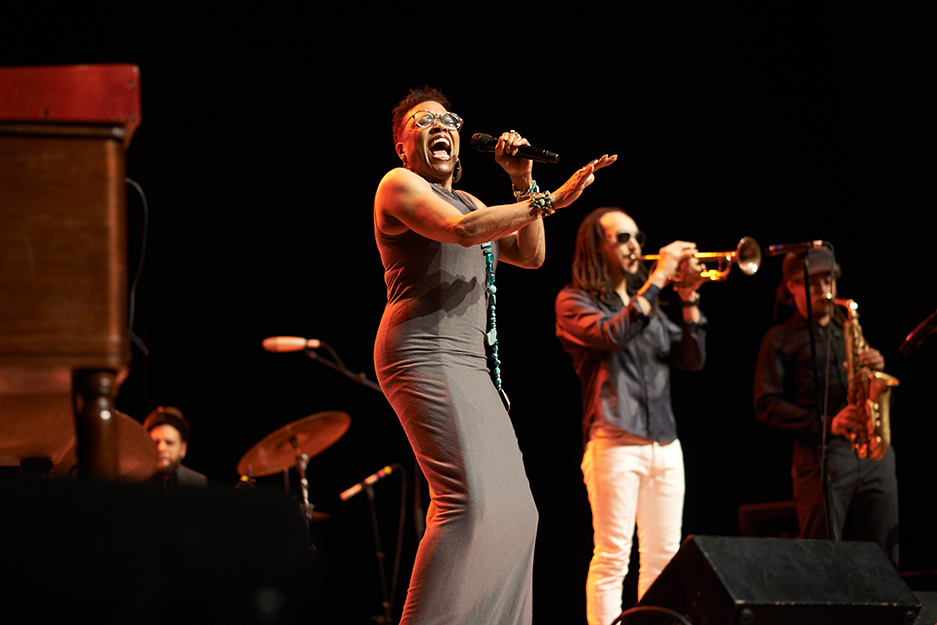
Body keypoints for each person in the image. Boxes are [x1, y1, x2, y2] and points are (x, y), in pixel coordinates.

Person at [373, 86, 616, 624]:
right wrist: (549, 200)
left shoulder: (479, 202)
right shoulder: (398, 185)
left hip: (473, 362)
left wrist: (523, 181)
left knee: (517, 513)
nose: (439, 125)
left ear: (460, 144)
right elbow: (460, 234)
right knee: (467, 505)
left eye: (448, 119)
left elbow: (531, 255)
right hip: (422, 349)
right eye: (423, 121)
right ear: (403, 148)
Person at [554, 207, 706, 625]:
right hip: (614, 443)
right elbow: (613, 334)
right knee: (612, 557)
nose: (636, 245)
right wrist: (659, 281)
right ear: (594, 246)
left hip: (666, 445)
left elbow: (691, 360)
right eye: (622, 237)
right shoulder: (573, 301)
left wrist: (689, 299)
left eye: (637, 236)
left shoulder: (650, 305)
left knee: (665, 558)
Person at [753, 248, 899, 567]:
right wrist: (827, 423)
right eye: (814, 282)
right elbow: (765, 404)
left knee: (883, 555)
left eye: (829, 279)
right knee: (825, 559)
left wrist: (874, 367)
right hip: (820, 457)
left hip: (871, 452)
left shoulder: (844, 326)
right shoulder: (779, 338)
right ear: (792, 286)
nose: (825, 289)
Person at [142, 406, 208, 488]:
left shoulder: (196, 483)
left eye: (169, 443)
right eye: (156, 442)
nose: (161, 448)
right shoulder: (134, 482)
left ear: (183, 449)